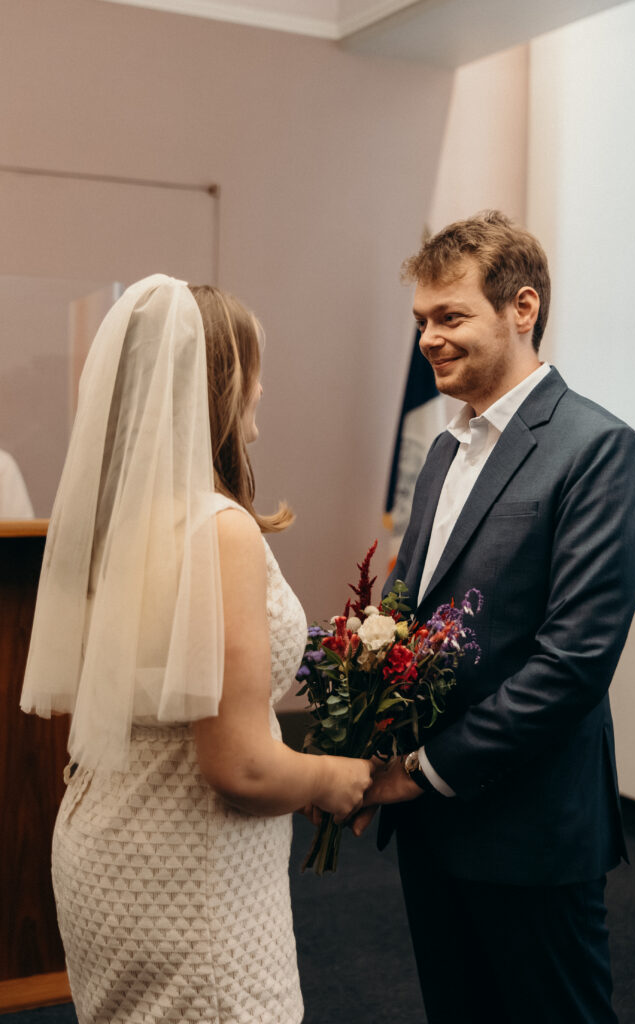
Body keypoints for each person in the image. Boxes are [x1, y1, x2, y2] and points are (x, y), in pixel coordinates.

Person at [20, 275, 372, 1024]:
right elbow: (237, 767)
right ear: (215, 382)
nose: (263, 390)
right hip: (188, 866)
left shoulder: (114, 522)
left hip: (102, 840)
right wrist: (329, 778)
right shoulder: (218, 530)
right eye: (252, 368)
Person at [354, 212, 635, 1023]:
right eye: (420, 322)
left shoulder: (597, 447)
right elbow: (408, 612)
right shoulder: (444, 449)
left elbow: (573, 662)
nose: (428, 339)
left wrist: (419, 771)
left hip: (528, 825)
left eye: (449, 317)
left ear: (522, 309)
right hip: (430, 829)